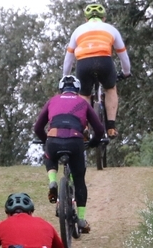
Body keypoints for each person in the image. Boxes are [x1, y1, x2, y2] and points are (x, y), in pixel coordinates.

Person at [33, 74, 105, 233]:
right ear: (77, 89)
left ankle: (52, 181)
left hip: (54, 138)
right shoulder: (82, 102)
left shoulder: (53, 100)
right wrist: (93, 142)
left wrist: (47, 140)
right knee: (79, 180)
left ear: (61, 89)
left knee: (49, 157)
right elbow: (99, 129)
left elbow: (38, 127)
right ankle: (80, 219)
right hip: (75, 141)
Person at [62, 1, 131, 138]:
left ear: (86, 19)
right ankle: (111, 127)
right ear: (104, 18)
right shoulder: (111, 29)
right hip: (104, 62)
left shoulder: (78, 30)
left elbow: (69, 58)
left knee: (84, 94)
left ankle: (85, 126)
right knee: (110, 89)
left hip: (83, 63)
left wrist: (65, 77)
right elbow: (123, 55)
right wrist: (126, 72)